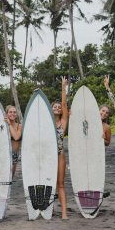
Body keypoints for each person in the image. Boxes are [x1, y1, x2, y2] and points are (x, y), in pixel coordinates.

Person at [52, 76, 69, 220]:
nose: (57, 108)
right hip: (47, 156)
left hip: (59, 155)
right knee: (47, 183)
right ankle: (46, 209)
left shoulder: (63, 122)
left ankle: (64, 212)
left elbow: (64, 104)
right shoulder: (46, 122)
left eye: (58, 107)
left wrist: (63, 88)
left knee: (61, 184)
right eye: (54, 107)